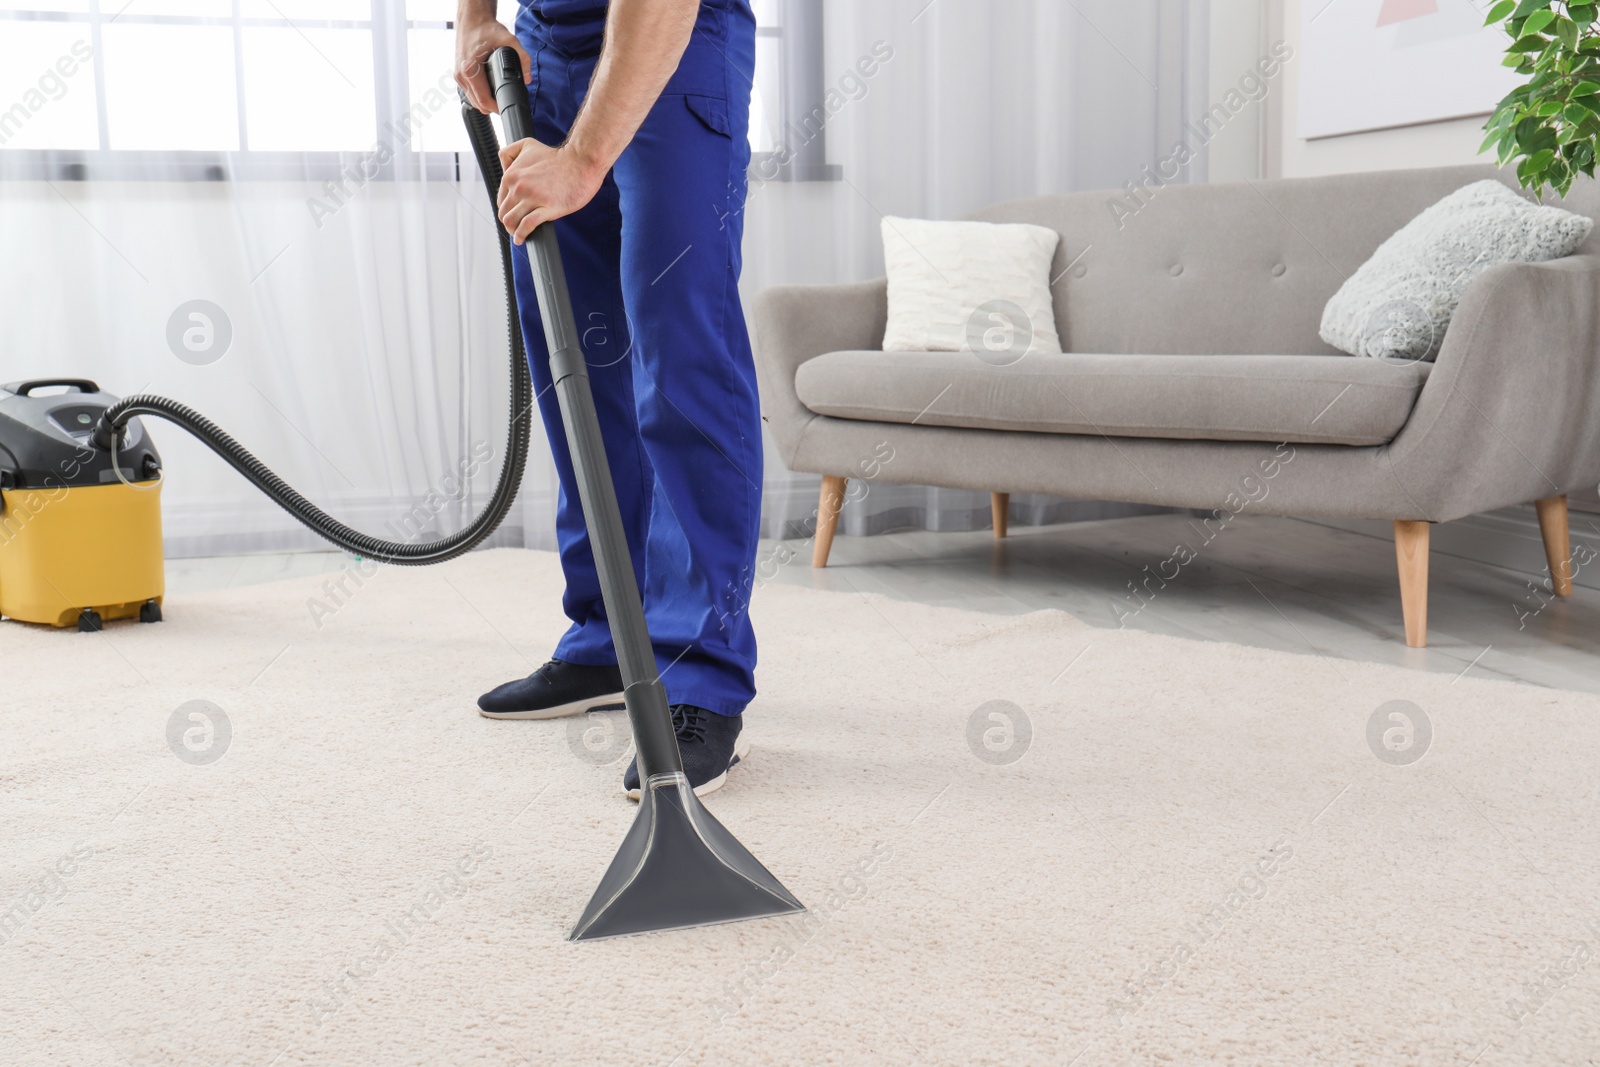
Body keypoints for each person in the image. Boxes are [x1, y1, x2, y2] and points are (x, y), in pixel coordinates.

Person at [455, 0, 762, 800]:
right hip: (552, 45)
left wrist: (583, 160)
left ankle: (700, 677)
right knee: (572, 353)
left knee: (680, 341)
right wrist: (475, 19)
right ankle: (607, 637)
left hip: (673, 39)